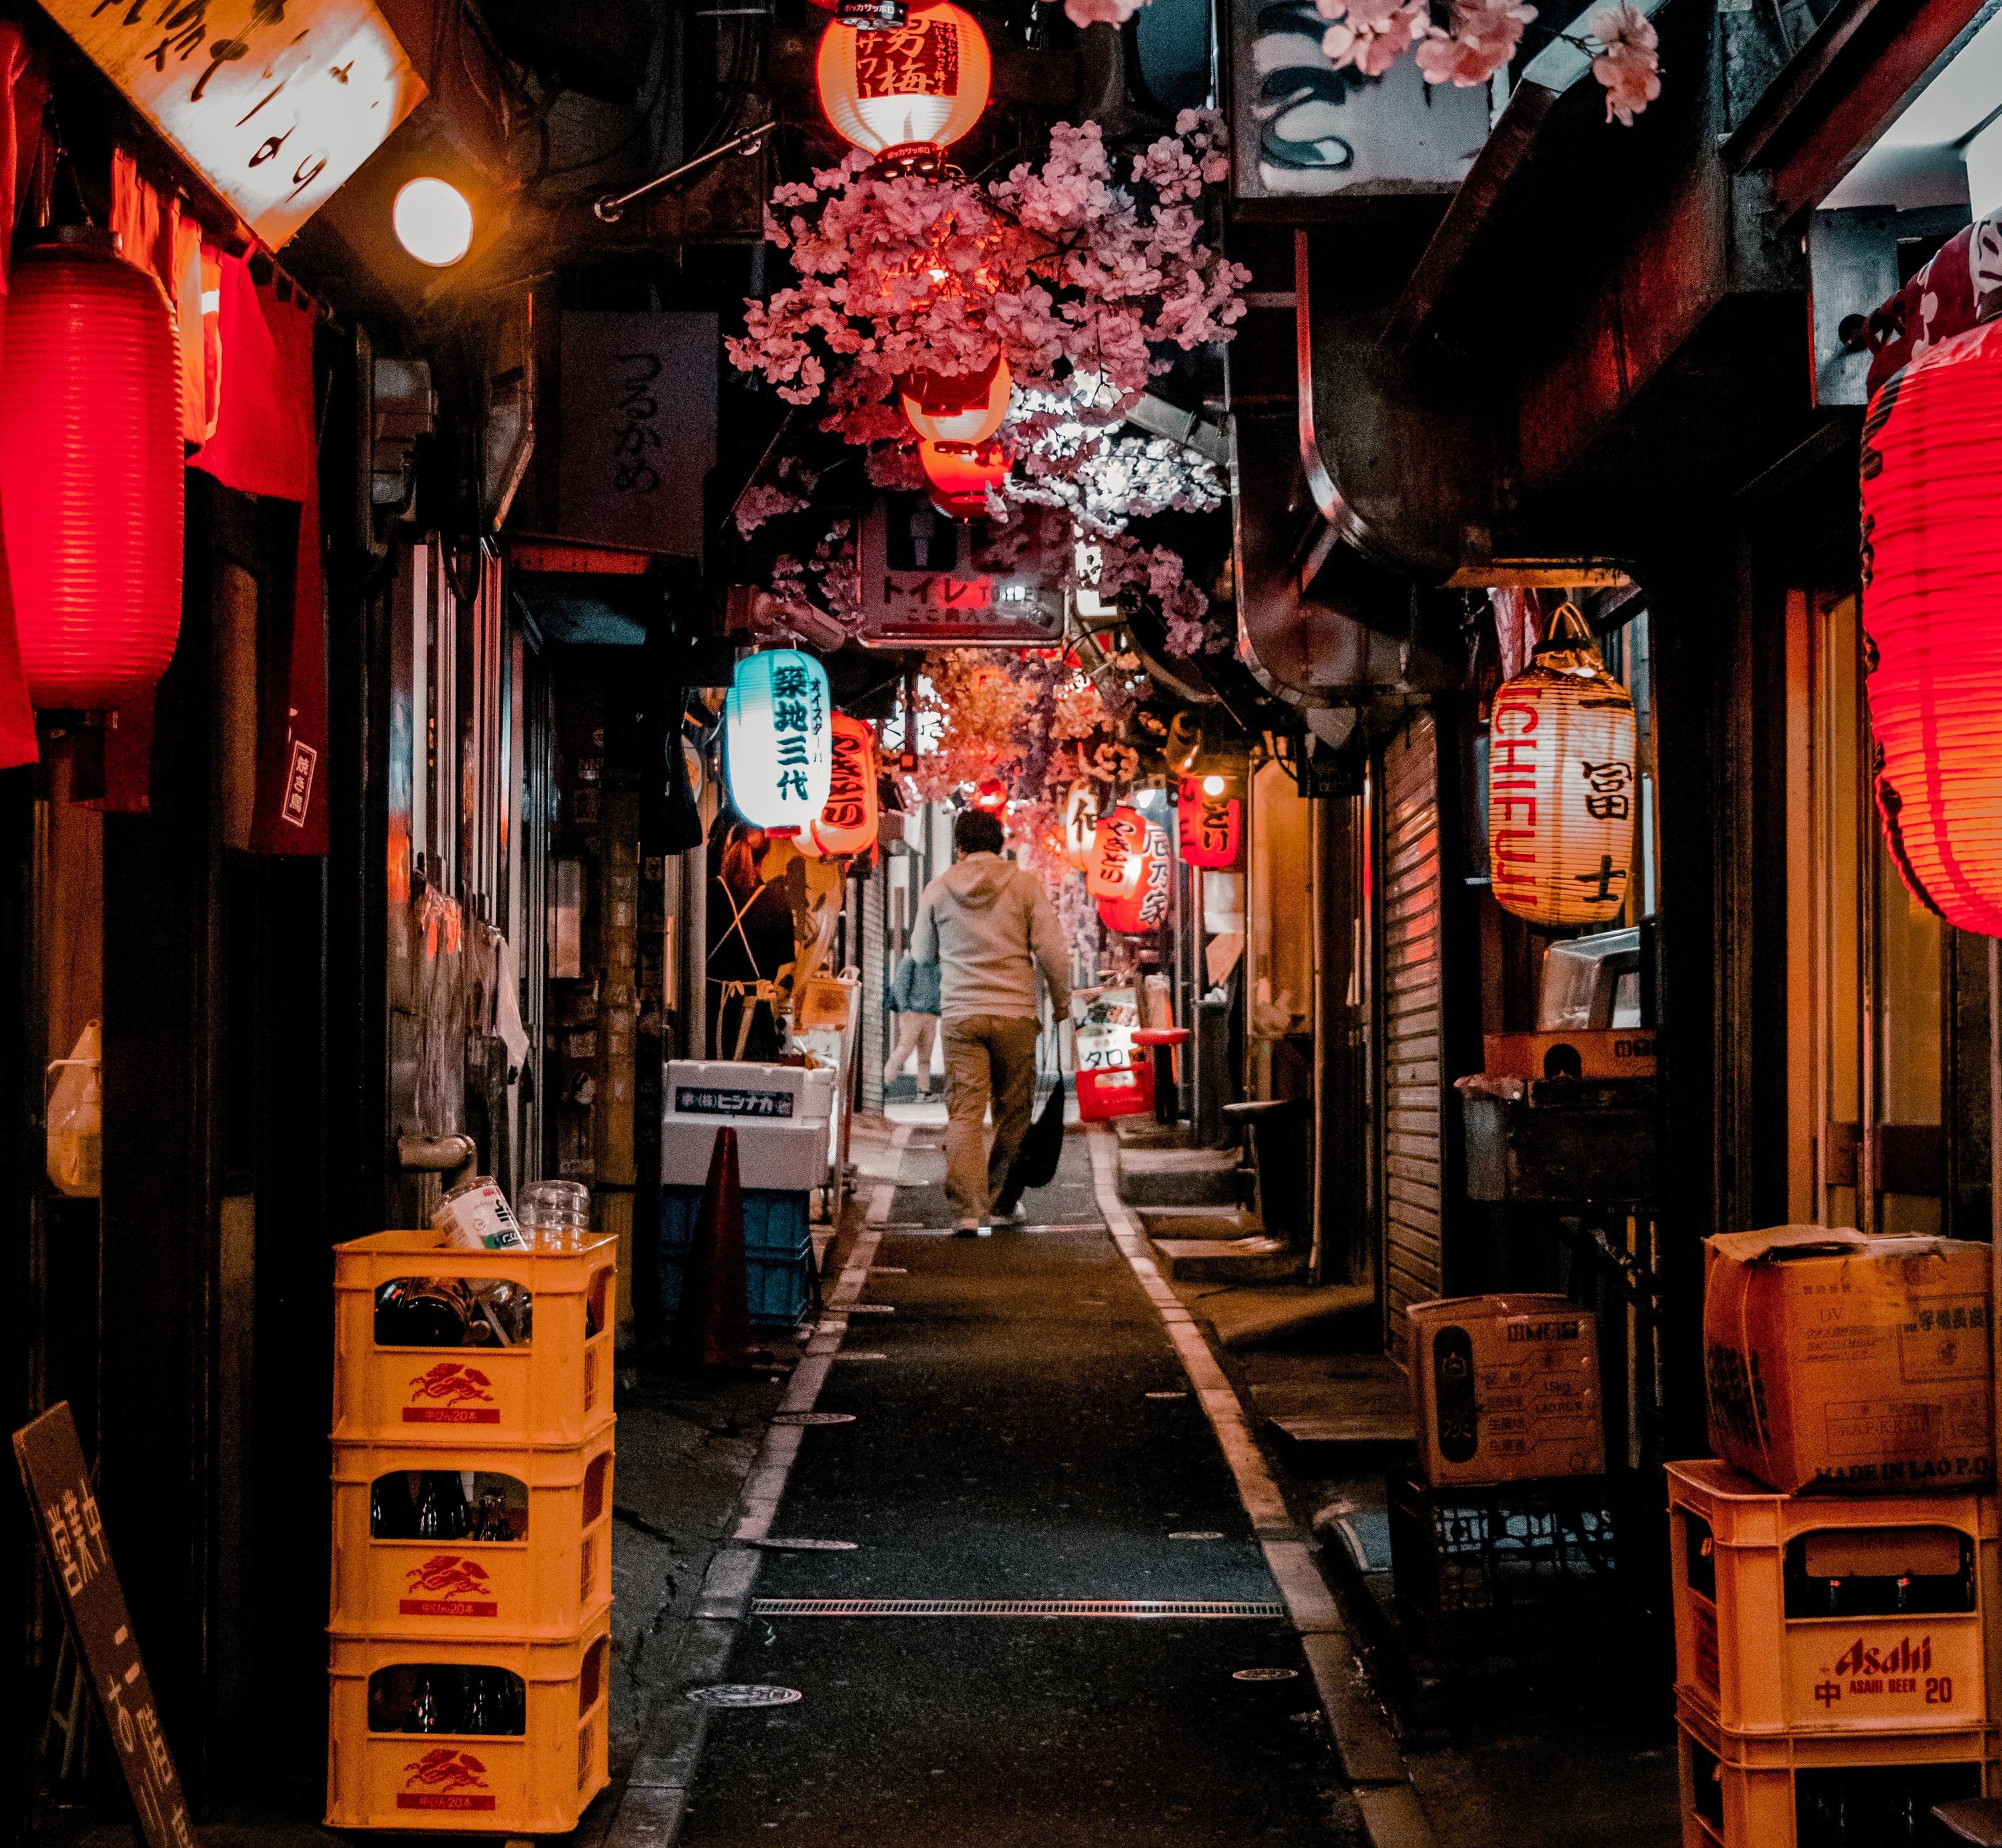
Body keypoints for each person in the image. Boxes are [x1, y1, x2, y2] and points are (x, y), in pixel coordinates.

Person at [911, 808, 1071, 1233]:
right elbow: (1052, 949)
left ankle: (968, 1210)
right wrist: (1061, 1003)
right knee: (1012, 1109)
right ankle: (1002, 1202)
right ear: (1001, 843)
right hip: (1016, 1013)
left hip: (962, 1014)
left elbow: (921, 954)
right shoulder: (1023, 885)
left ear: (959, 847)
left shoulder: (939, 889)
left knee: (965, 1112)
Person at [706, 828, 797, 1060]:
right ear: (766, 857)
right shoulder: (778, 903)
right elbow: (787, 967)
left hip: (707, 1010)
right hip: (755, 1014)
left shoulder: (706, 893)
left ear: (726, 850)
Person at [883, 949, 942, 1096]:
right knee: (905, 1048)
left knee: (925, 1055)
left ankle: (923, 1090)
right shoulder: (911, 959)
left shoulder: (935, 961)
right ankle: (885, 1080)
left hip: (930, 1013)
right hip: (914, 1013)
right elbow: (900, 985)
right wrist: (905, 1008)